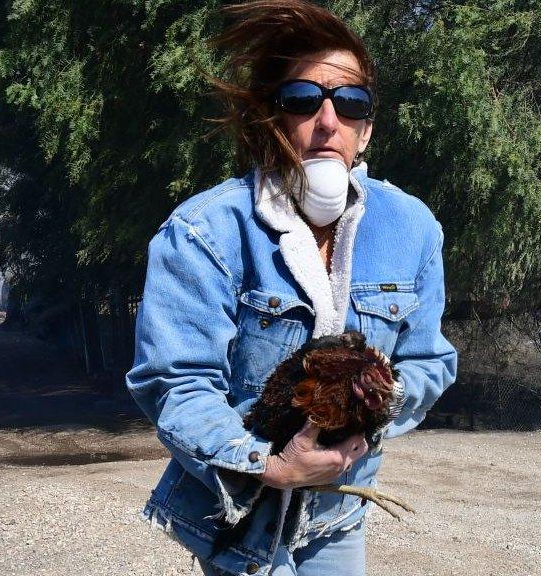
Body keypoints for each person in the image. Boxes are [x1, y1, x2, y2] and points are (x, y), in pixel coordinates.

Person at [125, 2, 458, 575]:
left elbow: (429, 360)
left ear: (367, 127)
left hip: (338, 508)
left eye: (350, 103)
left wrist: (375, 404)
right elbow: (176, 382)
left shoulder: (412, 228)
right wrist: (270, 464)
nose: (328, 122)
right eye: (304, 99)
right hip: (241, 506)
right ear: (271, 120)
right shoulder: (204, 232)